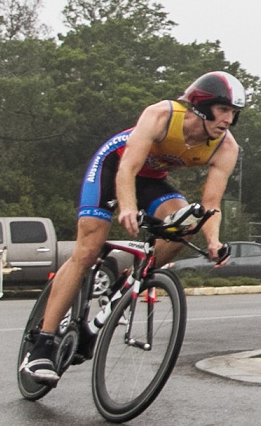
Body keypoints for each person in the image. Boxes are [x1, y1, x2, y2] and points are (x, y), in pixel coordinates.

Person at [20, 71, 245, 384]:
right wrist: (126, 207)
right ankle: (42, 344)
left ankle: (126, 281)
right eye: (223, 110)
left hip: (151, 181)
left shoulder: (226, 147)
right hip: (114, 164)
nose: (228, 120)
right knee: (87, 250)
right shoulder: (161, 115)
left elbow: (211, 204)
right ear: (203, 106)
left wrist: (214, 241)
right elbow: (127, 169)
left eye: (234, 114)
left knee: (187, 223)